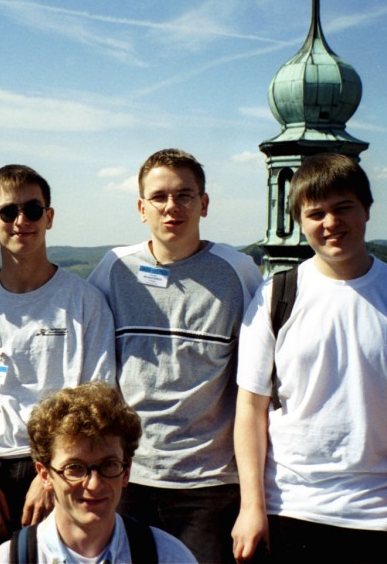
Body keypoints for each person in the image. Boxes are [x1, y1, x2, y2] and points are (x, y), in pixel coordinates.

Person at [0, 164, 117, 563]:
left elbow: (94, 401)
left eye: (33, 211)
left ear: (49, 217)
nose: (21, 221)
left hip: (64, 467)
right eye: (9, 212)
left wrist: (52, 476)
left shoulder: (85, 302)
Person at [232, 153, 387, 563]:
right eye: (316, 213)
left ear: (366, 209)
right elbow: (250, 409)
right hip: (292, 507)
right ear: (299, 220)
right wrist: (251, 506)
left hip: (383, 511)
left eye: (343, 207)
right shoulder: (277, 296)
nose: (330, 223)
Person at [88, 148, 263, 562]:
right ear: (141, 207)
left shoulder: (238, 272)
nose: (172, 207)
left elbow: (256, 383)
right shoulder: (115, 268)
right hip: (127, 476)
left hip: (209, 484)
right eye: (159, 197)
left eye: (184, 195)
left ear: (204, 203)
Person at [0, 381, 198, 563]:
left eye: (108, 465)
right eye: (75, 468)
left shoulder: (168, 556)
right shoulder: (6, 560)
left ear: (126, 471)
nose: (94, 484)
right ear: (45, 475)